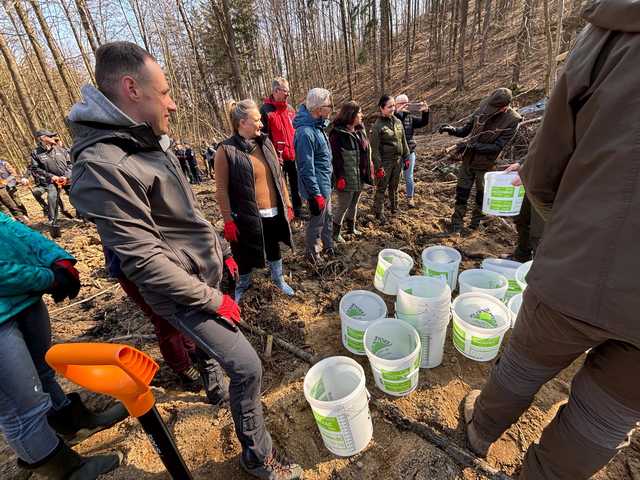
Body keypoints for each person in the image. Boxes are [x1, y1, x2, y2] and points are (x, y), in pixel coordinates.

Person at [68, 41, 302, 479]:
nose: (173, 103)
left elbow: (181, 221)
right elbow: (146, 262)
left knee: (213, 354)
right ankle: (258, 457)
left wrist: (219, 252)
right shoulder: (103, 165)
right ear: (131, 88)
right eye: (165, 92)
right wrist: (213, 301)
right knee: (248, 365)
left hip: (201, 274)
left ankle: (215, 391)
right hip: (179, 290)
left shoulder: (143, 142)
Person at [463, 2, 640, 479]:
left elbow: (543, 170)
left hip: (581, 267)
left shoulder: (616, 35)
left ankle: (481, 430)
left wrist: (568, 228)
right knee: (602, 420)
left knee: (523, 365)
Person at [0, 212, 127, 479]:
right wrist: (49, 278)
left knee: (43, 371)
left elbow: (11, 229)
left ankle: (73, 424)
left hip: (23, 298)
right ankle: (65, 469)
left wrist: (57, 258)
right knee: (22, 406)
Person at [102, 247, 228, 404]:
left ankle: (189, 351)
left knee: (182, 309)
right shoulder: (118, 229)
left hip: (159, 260)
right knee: (164, 319)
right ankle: (182, 366)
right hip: (134, 268)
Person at [215, 100, 295, 301]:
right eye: (257, 120)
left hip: (272, 210)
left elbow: (278, 176)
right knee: (244, 252)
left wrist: (287, 203)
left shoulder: (265, 143)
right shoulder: (226, 151)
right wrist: (228, 221)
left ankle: (278, 279)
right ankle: (243, 283)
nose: (261, 124)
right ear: (242, 122)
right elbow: (221, 190)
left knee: (273, 245)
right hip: (246, 215)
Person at [439, 88, 521, 232]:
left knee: (481, 197)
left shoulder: (513, 120)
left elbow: (497, 146)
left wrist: (473, 146)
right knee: (462, 193)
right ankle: (456, 224)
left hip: (486, 165)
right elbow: (465, 130)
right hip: (468, 161)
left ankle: (474, 225)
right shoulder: (483, 106)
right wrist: (451, 129)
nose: (490, 110)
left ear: (505, 107)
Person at [293, 88, 334, 265]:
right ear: (318, 109)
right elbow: (306, 167)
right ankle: (312, 254)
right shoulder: (305, 133)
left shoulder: (318, 127)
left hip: (325, 183)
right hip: (316, 187)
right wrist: (315, 194)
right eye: (329, 106)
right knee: (317, 222)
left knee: (328, 217)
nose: (331, 109)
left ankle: (328, 246)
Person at [328, 101, 372, 243]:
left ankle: (351, 227)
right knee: (343, 205)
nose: (362, 115)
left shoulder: (360, 130)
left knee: (354, 203)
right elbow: (335, 158)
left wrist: (369, 168)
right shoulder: (337, 134)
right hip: (345, 177)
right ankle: (335, 233)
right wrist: (339, 177)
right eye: (359, 113)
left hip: (359, 175)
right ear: (351, 115)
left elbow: (366, 152)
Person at [260, 77, 303, 218]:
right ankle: (283, 212)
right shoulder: (265, 111)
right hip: (277, 157)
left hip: (293, 154)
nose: (288, 95)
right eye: (286, 91)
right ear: (276, 91)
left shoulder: (290, 109)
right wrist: (271, 156)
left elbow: (294, 130)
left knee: (296, 183)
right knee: (279, 186)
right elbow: (263, 137)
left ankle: (298, 209)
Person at [370, 95, 410, 221]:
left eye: (393, 106)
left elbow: (403, 141)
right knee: (381, 187)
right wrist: (378, 167)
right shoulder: (377, 127)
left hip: (398, 161)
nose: (393, 109)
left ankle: (394, 208)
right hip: (385, 162)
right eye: (389, 106)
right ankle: (378, 213)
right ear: (382, 108)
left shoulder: (398, 122)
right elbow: (374, 150)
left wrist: (407, 156)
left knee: (394, 186)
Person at [28, 130, 75, 237]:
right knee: (52, 198)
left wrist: (66, 176)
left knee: (77, 196)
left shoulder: (61, 149)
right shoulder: (36, 153)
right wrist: (51, 177)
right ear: (42, 138)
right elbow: (35, 169)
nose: (54, 138)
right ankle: (53, 224)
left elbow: (70, 164)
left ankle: (85, 218)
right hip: (52, 181)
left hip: (67, 179)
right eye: (51, 136)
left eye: (54, 136)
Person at [503, 162, 545, 262]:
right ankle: (521, 257)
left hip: (548, 187)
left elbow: (556, 157)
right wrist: (521, 163)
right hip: (531, 184)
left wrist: (530, 174)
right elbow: (537, 151)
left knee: (539, 230)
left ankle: (536, 266)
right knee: (522, 219)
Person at [394, 94, 429, 208]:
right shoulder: (392, 117)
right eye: (402, 103)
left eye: (406, 103)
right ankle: (394, 197)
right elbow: (392, 123)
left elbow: (423, 122)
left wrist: (425, 112)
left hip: (410, 151)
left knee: (408, 176)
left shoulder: (410, 117)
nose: (405, 105)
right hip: (396, 152)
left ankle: (410, 198)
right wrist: (396, 113)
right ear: (396, 104)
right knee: (396, 176)